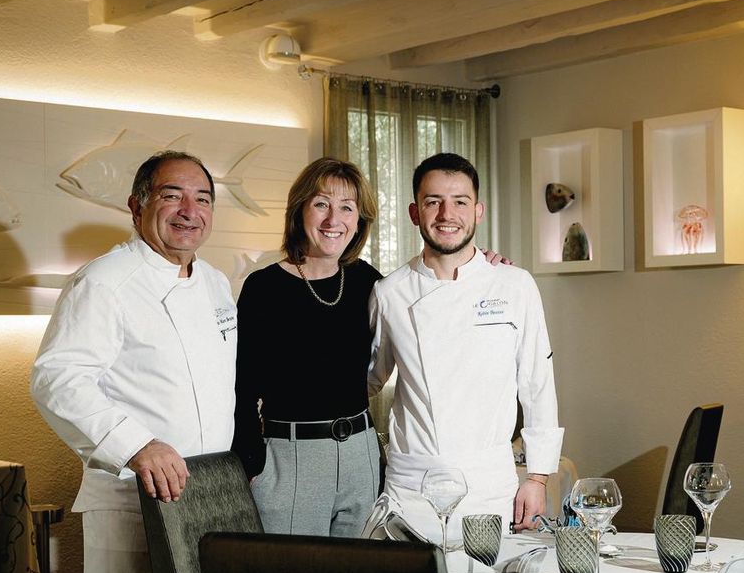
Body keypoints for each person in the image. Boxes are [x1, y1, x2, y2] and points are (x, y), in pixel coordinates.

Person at [30, 150, 236, 573]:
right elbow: (57, 379)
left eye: (201, 198)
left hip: (204, 499)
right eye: (171, 196)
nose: (188, 211)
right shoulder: (105, 281)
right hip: (131, 498)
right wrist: (135, 443)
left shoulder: (217, 283)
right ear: (138, 204)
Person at [368, 152, 563, 541]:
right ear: (414, 212)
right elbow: (366, 381)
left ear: (478, 211)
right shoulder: (389, 293)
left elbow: (537, 385)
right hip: (411, 490)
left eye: (460, 202)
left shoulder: (514, 285)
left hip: (490, 486)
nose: (446, 214)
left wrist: (538, 478)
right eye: (433, 202)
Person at [232, 157, 382, 536]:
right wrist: (252, 467)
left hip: (361, 455)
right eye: (321, 204)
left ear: (359, 219)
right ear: (299, 210)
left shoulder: (368, 281)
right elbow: (241, 388)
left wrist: (486, 265)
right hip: (291, 458)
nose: (334, 220)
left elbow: (427, 295)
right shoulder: (263, 288)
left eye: (347, 207)